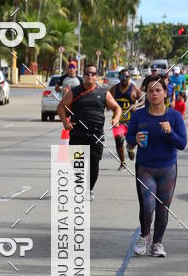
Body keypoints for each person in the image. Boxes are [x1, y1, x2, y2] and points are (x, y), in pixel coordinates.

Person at [126, 75, 186, 257]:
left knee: (162, 209)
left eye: (158, 90)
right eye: (150, 90)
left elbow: (182, 144)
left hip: (167, 168)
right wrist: (134, 140)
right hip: (145, 168)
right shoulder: (138, 116)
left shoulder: (174, 116)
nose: (154, 93)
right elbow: (128, 139)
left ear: (165, 93)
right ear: (146, 93)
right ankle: (144, 235)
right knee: (147, 204)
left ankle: (157, 243)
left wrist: (170, 132)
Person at [57, 62, 122, 199]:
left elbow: (117, 108)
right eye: (87, 74)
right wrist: (65, 122)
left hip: (96, 135)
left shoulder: (104, 93)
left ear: (96, 76)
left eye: (92, 74)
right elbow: (61, 107)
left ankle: (89, 190)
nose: (89, 76)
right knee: (77, 165)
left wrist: (116, 118)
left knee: (93, 164)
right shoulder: (75, 91)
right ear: (84, 75)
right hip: (77, 134)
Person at [107, 68, 140, 168]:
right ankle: (122, 162)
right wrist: (109, 106)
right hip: (118, 120)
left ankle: (130, 149)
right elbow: (106, 100)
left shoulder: (133, 88)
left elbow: (144, 99)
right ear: (119, 77)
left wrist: (136, 106)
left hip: (131, 120)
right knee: (119, 140)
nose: (125, 79)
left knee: (132, 141)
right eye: (122, 76)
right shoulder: (114, 89)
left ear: (130, 77)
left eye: (127, 76)